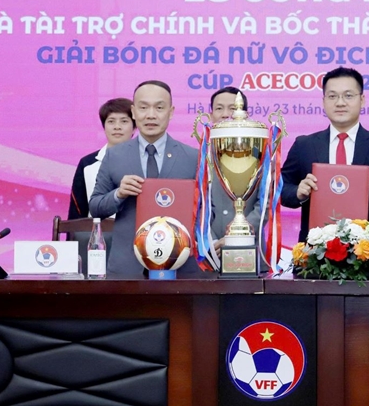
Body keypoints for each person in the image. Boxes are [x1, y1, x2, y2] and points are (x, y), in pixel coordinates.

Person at [280, 66, 369, 241]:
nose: (340, 103)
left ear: (362, 100)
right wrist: (298, 192)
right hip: (314, 252)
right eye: (332, 96)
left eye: (348, 95)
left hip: (368, 253)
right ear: (323, 101)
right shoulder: (304, 146)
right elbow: (280, 189)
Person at [89, 80, 198, 277]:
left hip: (181, 268)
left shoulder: (192, 157)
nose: (151, 115)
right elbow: (96, 207)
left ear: (171, 112)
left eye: (159, 108)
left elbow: (208, 212)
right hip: (128, 268)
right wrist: (118, 194)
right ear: (133, 111)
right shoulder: (114, 156)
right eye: (143, 107)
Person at [208, 87, 262, 244]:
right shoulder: (201, 156)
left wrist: (238, 236)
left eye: (232, 108)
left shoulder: (260, 156)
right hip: (210, 250)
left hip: (250, 246)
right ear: (211, 115)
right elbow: (196, 205)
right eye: (219, 108)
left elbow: (265, 204)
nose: (225, 114)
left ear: (245, 115)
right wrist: (211, 241)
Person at [68, 98, 135, 220]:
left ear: (134, 127)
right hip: (96, 231)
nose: (117, 127)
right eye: (111, 121)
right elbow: (77, 212)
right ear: (104, 126)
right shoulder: (87, 164)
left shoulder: (146, 160)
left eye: (124, 121)